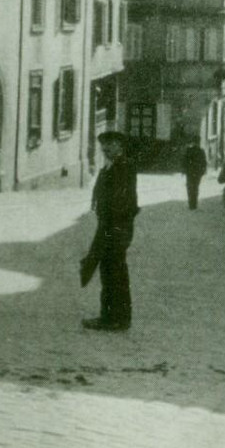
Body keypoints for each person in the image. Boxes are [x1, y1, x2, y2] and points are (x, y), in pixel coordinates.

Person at [80, 129, 139, 331]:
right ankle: (116, 317)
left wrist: (112, 224)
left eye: (111, 144)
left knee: (114, 273)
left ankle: (114, 319)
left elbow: (124, 201)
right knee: (110, 271)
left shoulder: (124, 167)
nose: (106, 148)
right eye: (103, 145)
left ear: (120, 146)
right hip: (109, 226)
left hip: (116, 227)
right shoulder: (110, 167)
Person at [182, 139, 208, 210]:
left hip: (190, 172)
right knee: (196, 187)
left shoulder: (189, 150)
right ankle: (194, 204)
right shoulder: (201, 151)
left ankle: (191, 204)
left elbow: (184, 161)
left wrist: (184, 170)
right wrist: (203, 171)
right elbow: (204, 162)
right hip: (197, 172)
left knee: (190, 187)